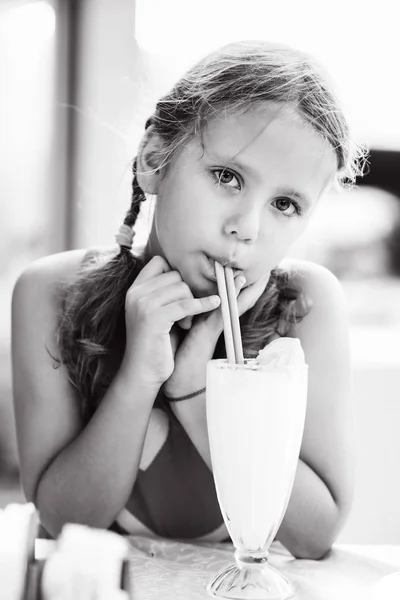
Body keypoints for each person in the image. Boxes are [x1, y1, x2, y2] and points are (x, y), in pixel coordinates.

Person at [11, 40, 367, 559]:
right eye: (227, 177)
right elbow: (65, 524)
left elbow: (313, 538)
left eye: (285, 204)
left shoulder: (305, 307)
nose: (246, 228)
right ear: (155, 159)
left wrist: (198, 391)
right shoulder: (49, 293)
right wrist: (138, 377)